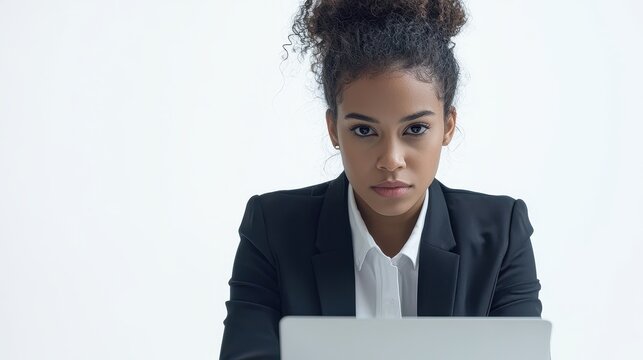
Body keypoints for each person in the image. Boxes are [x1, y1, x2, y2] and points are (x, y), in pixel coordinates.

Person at [220, 0, 542, 358]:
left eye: (415, 128)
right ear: (333, 129)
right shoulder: (273, 229)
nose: (391, 160)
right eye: (363, 130)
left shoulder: (500, 236)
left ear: (448, 126)